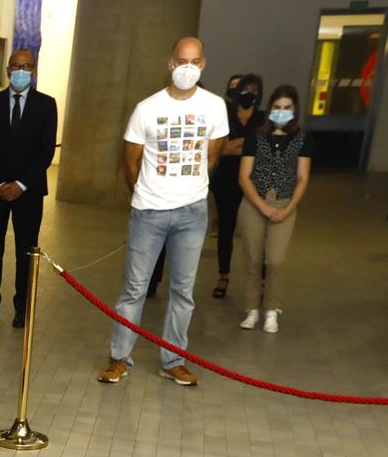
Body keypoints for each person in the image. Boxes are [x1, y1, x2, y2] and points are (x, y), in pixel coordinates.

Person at [97, 37, 228, 387]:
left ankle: (173, 360)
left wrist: (191, 189)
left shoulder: (215, 106)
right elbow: (130, 161)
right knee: (134, 288)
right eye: (182, 61)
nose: (187, 68)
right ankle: (119, 358)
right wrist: (147, 193)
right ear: (171, 64)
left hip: (192, 213)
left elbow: (213, 156)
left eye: (195, 61)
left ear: (203, 64)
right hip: (149, 212)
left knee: (183, 291)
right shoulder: (147, 108)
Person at [0, 47, 58, 329]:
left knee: (26, 250)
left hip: (30, 190)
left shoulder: (47, 105)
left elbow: (46, 151)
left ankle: (22, 307)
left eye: (27, 66)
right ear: (8, 70)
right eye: (16, 65)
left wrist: (22, 184)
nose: (21, 70)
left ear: (33, 71)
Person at [234, 85, 312, 333]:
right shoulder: (255, 137)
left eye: (287, 108)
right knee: (253, 259)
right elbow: (244, 176)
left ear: (295, 110)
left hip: (284, 204)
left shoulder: (302, 139)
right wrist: (262, 207)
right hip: (254, 204)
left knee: (276, 260)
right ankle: (252, 309)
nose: (281, 112)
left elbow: (302, 178)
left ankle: (272, 310)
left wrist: (288, 208)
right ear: (270, 109)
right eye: (277, 107)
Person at [210, 72, 263, 299]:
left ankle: (261, 280)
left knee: (258, 231)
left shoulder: (262, 119)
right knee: (226, 229)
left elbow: (264, 149)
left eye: (254, 90)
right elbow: (222, 148)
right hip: (226, 180)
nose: (248, 94)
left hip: (253, 180)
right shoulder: (225, 115)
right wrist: (248, 143)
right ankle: (223, 275)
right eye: (244, 89)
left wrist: (238, 144)